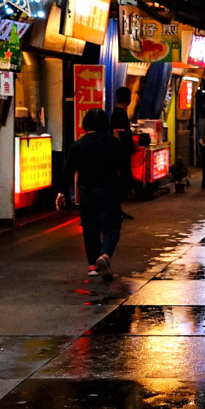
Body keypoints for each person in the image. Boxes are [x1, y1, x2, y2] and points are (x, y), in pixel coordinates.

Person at [67, 108, 126, 280]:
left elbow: (68, 170)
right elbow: (124, 168)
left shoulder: (77, 145)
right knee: (111, 228)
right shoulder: (114, 143)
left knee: (90, 228)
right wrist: (128, 187)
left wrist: (62, 191)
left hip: (86, 192)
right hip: (109, 189)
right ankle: (105, 255)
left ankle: (93, 266)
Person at [110, 85, 138, 216]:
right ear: (128, 99)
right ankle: (116, 208)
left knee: (122, 178)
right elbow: (117, 133)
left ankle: (118, 208)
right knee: (120, 178)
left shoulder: (120, 113)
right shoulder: (118, 114)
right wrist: (119, 151)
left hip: (121, 152)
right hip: (121, 153)